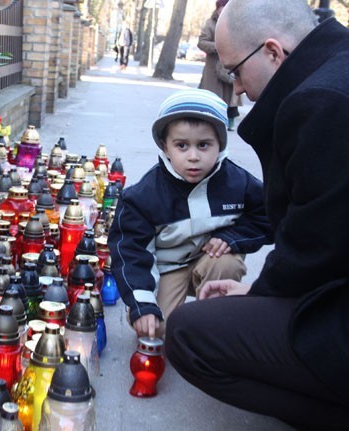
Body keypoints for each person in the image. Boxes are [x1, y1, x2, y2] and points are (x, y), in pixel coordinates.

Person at [166, 0, 349, 428]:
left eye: (235, 72)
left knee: (190, 333)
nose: (237, 89)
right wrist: (260, 291)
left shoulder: (322, 102)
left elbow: (319, 245)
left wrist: (262, 292)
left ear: (272, 52)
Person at [107, 88, 272, 339]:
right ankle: (166, 316)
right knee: (157, 330)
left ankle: (214, 327)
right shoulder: (143, 196)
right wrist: (142, 303)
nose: (193, 157)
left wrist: (233, 237)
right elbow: (130, 251)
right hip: (166, 268)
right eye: (182, 146)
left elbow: (268, 216)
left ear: (220, 145)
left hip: (210, 261)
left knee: (226, 261)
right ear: (165, 146)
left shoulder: (237, 182)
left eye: (204, 145)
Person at [198, 0, 240, 131]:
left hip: (231, 66)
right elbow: (201, 42)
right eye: (221, 9)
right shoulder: (210, 24)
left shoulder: (236, 23)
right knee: (213, 97)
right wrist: (218, 46)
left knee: (231, 95)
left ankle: (229, 119)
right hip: (213, 68)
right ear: (217, 9)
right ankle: (211, 120)